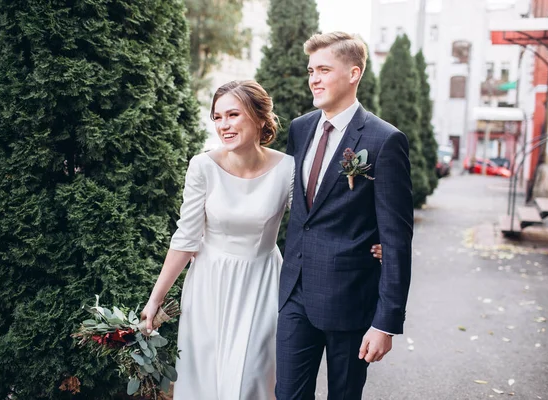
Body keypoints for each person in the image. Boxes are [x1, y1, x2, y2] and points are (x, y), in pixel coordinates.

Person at [140, 80, 383, 399]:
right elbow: (186, 238)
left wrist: (372, 240)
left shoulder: (287, 168)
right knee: (203, 383)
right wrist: (155, 299)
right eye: (217, 117)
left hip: (262, 285)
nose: (223, 125)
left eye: (233, 115)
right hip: (207, 288)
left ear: (258, 118)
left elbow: (316, 221)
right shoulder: (202, 167)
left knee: (250, 381)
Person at [275, 32, 413, 400]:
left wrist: (386, 322)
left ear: (354, 73)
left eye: (323, 69)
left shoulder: (385, 140)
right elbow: (301, 210)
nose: (314, 79)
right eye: (310, 71)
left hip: (351, 300)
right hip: (295, 293)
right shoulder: (300, 129)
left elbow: (397, 239)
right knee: (287, 394)